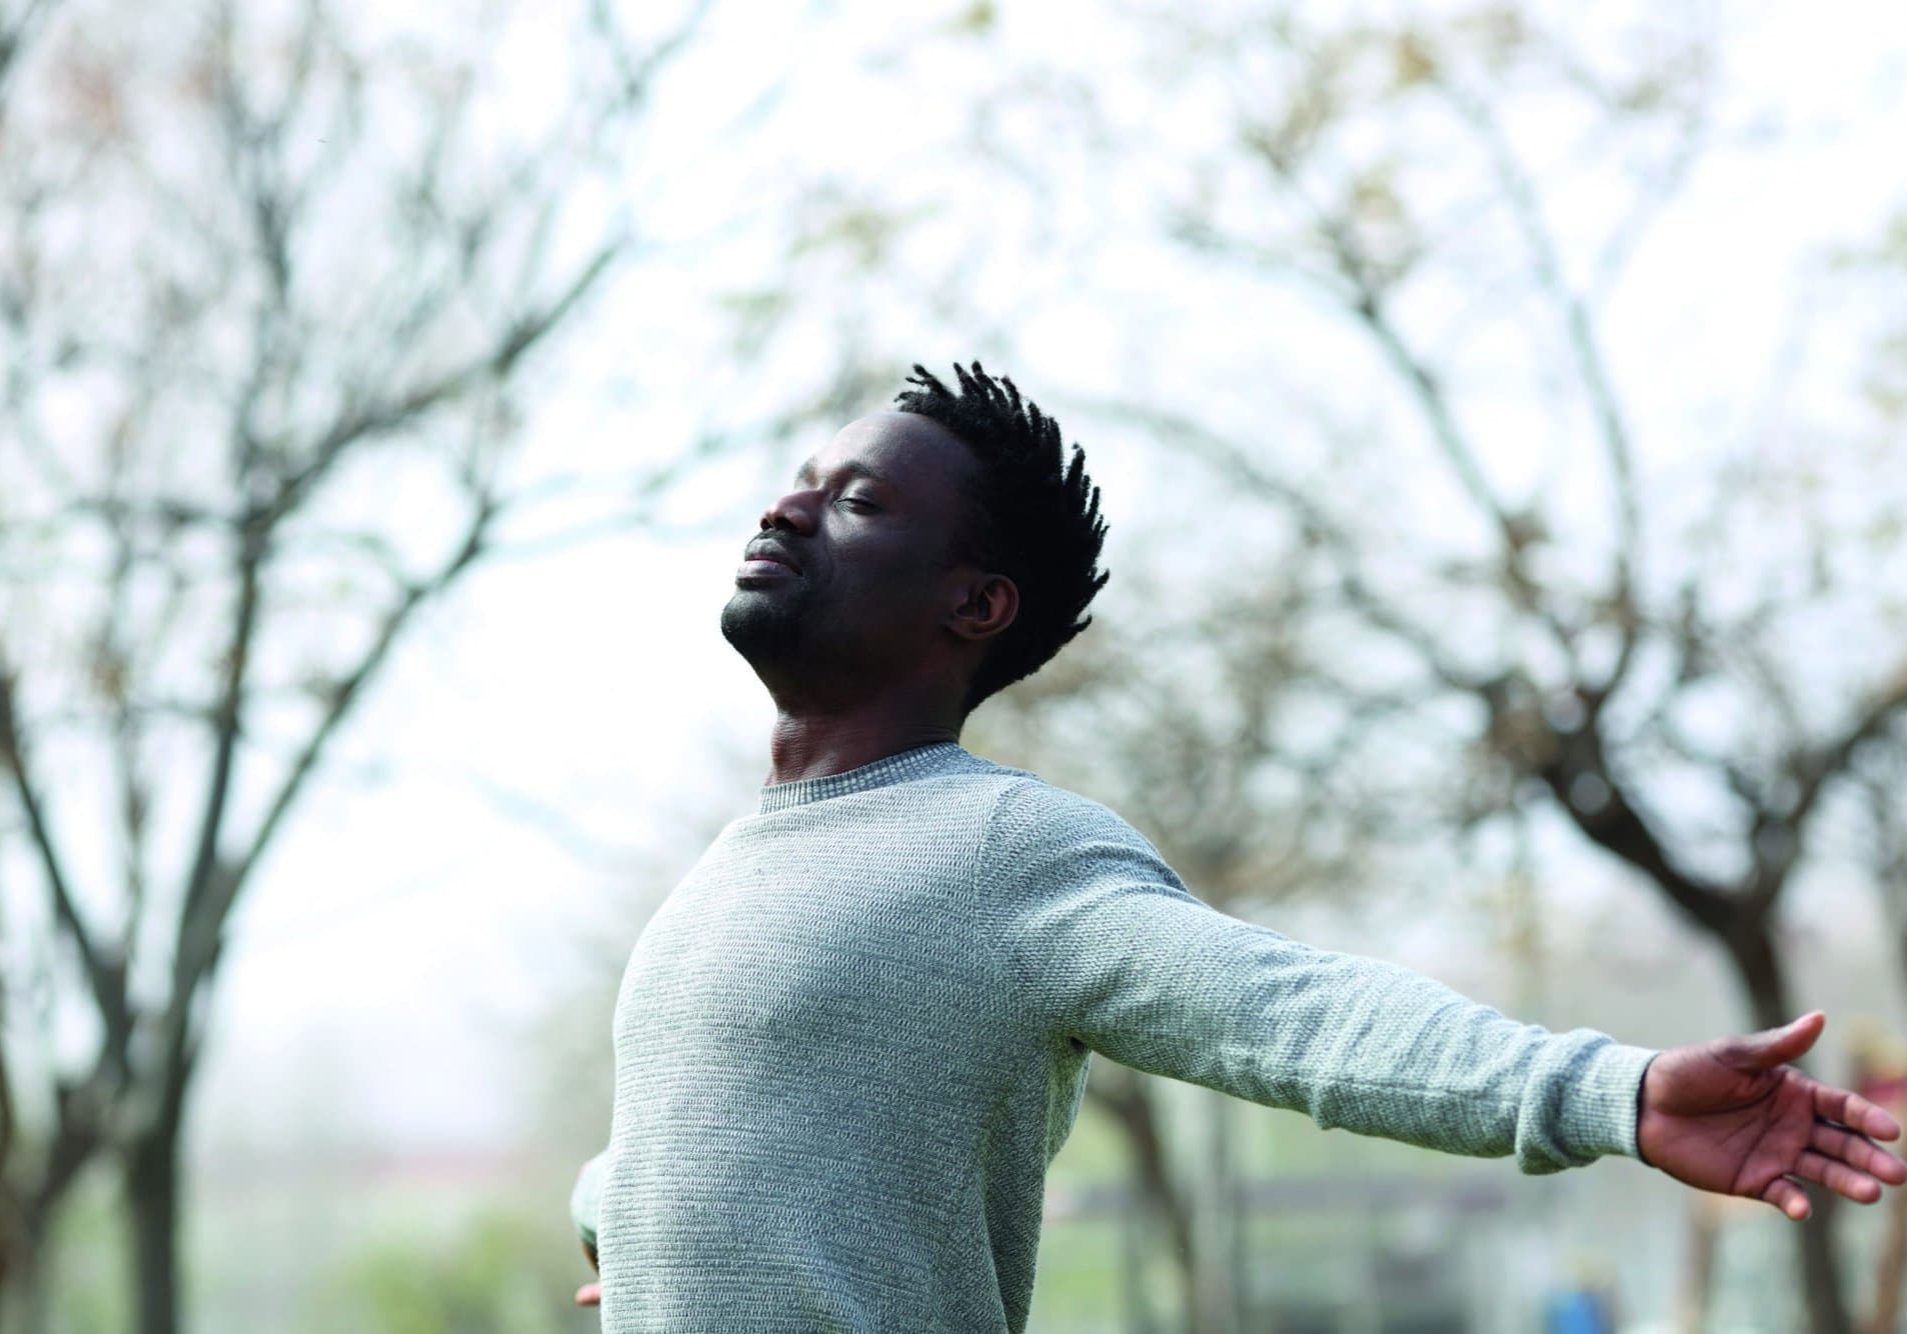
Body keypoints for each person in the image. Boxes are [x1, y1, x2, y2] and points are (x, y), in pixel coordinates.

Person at [566, 362, 1906, 1331]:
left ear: (974, 604)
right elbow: (710, 1139)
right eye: (801, 484)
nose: (789, 512)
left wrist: (1604, 1087)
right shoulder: (726, 869)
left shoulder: (1002, 849)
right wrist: (625, 1223)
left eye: (856, 500)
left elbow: (1294, 1016)